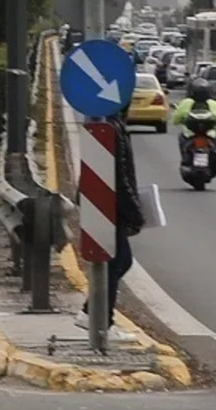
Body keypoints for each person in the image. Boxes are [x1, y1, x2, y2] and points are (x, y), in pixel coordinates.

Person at [74, 105, 145, 342]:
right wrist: (135, 212)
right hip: (107, 207)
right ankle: (101, 321)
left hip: (103, 205)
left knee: (118, 261)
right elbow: (121, 178)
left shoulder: (110, 127)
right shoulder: (112, 130)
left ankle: (92, 314)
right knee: (117, 262)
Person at [171, 77, 216, 165]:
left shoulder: (186, 102)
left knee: (181, 137)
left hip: (189, 135)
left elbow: (175, 120)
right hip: (210, 135)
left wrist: (181, 120)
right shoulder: (213, 103)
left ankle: (185, 158)